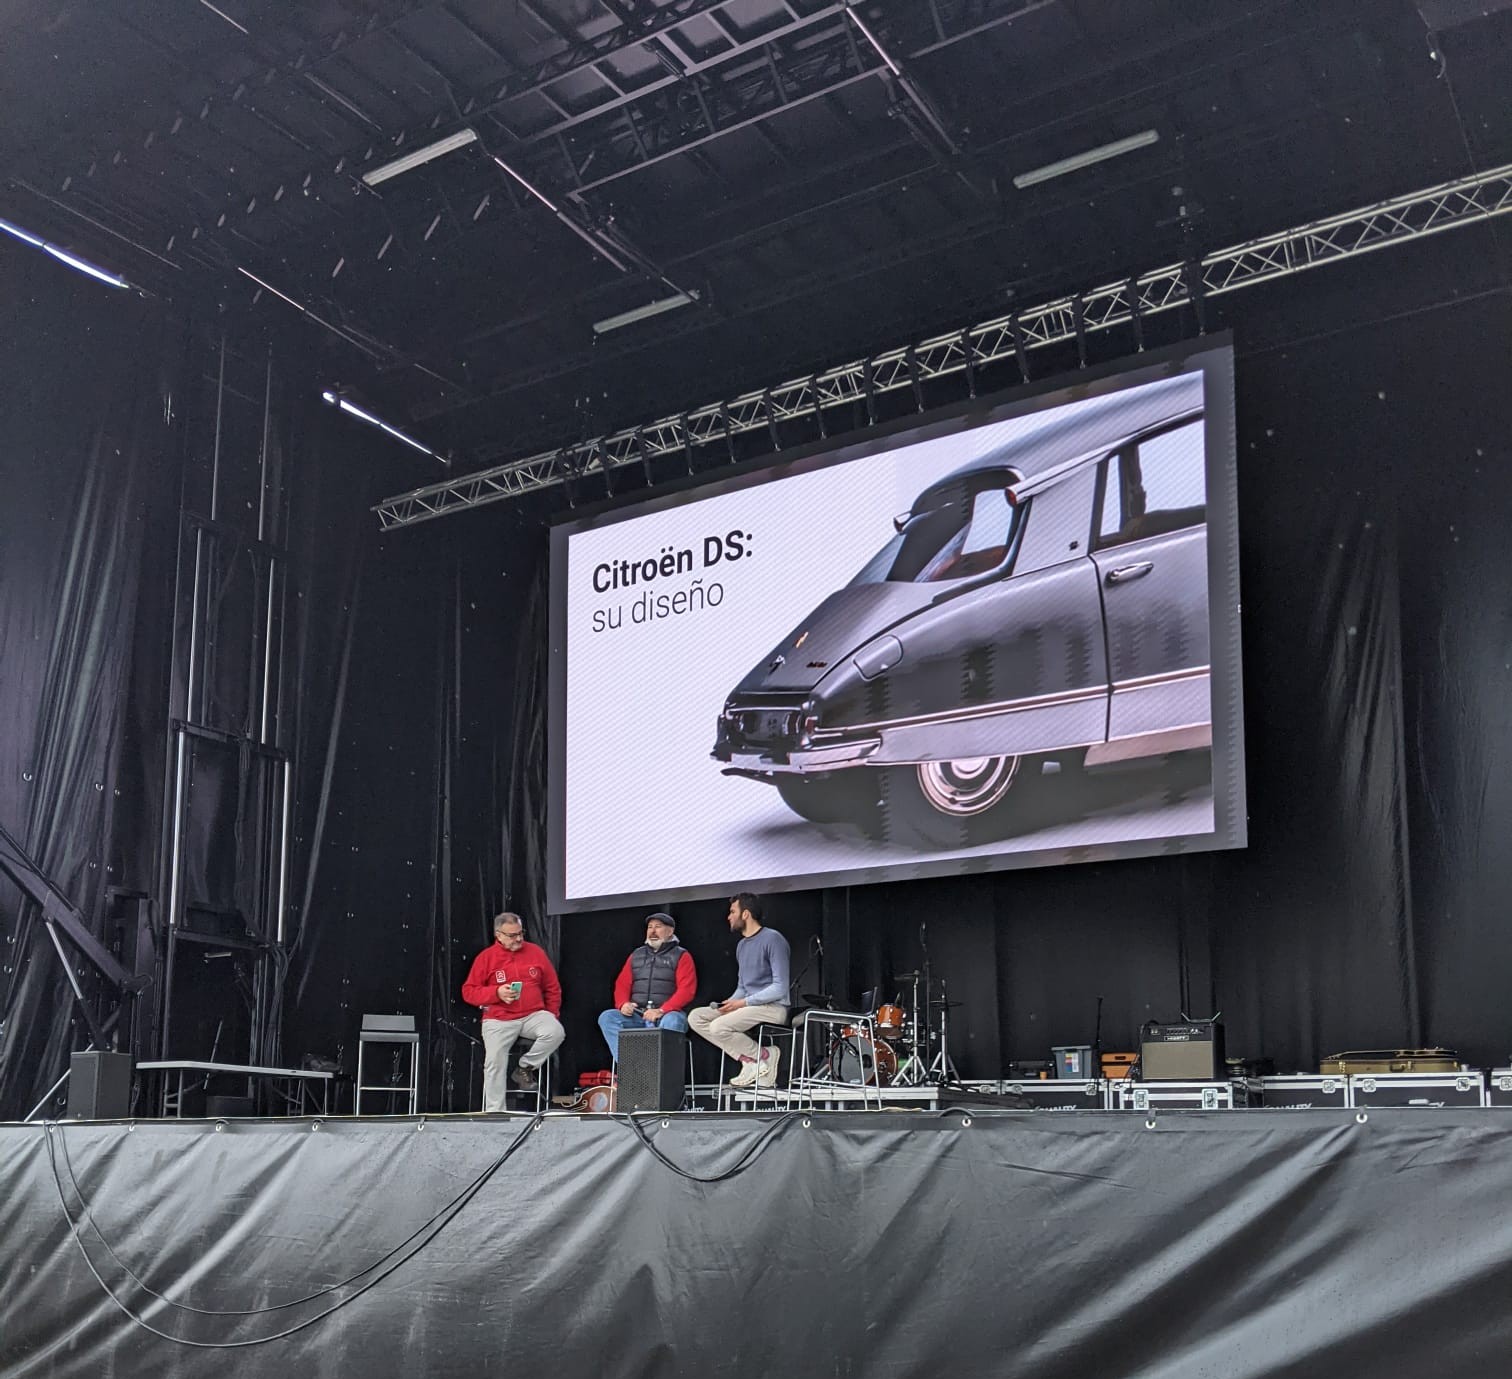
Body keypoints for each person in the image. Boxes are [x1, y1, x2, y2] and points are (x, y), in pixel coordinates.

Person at [461, 912, 564, 1111]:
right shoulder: (486, 958)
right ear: (498, 935)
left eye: (520, 933)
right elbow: (468, 992)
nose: (518, 939)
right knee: (494, 1060)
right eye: (512, 935)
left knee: (556, 1031)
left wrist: (551, 1014)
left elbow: (552, 987)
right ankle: (494, 1111)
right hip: (499, 1019)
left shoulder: (535, 952)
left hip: (533, 1014)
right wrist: (496, 993)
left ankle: (524, 1067)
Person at [688, 893, 791, 1089]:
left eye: (732, 912)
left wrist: (742, 1003)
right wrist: (730, 1003)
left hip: (773, 1007)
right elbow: (743, 987)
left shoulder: (773, 939)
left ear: (745, 914)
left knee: (718, 1027)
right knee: (696, 1017)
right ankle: (750, 1060)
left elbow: (780, 987)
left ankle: (765, 1055)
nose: (728, 916)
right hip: (749, 1005)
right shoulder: (741, 946)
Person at [596, 911, 698, 1062]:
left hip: (667, 1014)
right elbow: (622, 984)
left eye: (658, 927)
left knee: (673, 1022)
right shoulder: (636, 955)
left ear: (670, 931)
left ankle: (661, 1073)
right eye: (650, 927)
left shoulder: (682, 955)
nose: (653, 931)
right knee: (608, 1017)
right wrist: (623, 1004)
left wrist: (661, 1010)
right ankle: (632, 1068)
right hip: (638, 1014)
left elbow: (687, 990)